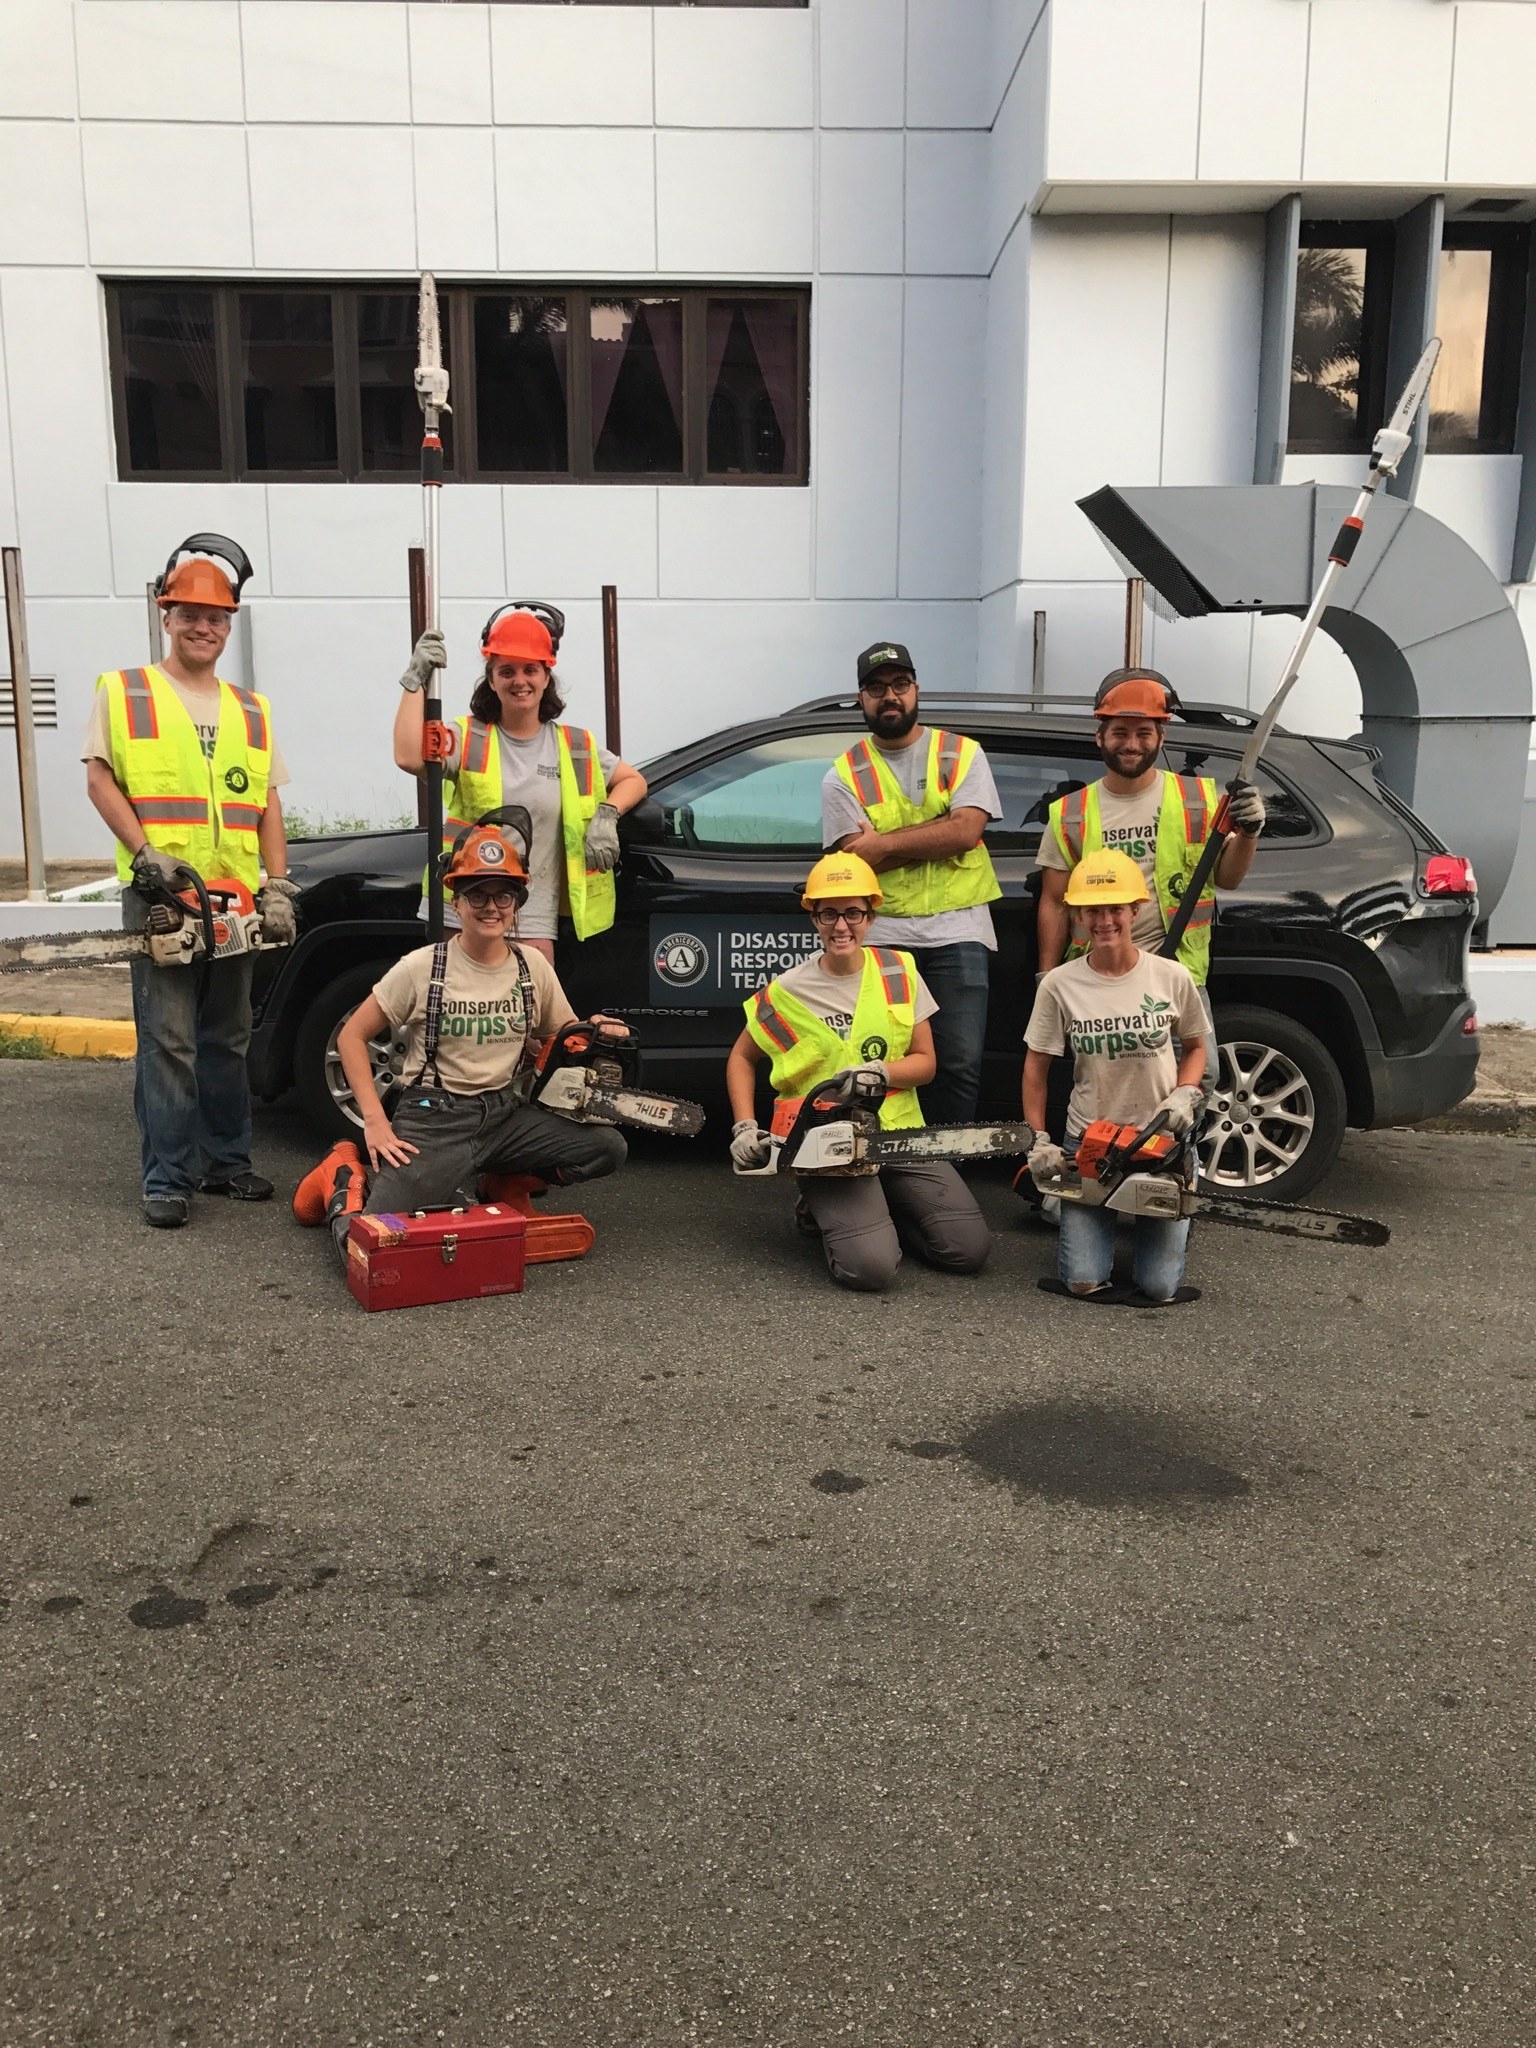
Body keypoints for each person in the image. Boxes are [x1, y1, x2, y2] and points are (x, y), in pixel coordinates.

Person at [82, 535, 295, 1229]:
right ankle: (168, 1176)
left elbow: (266, 803)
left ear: (230, 624)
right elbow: (98, 777)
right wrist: (144, 852)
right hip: (160, 896)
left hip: (232, 900)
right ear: (165, 613)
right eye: (189, 614)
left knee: (227, 1036)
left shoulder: (253, 708)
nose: (204, 627)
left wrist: (279, 886)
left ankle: (226, 1162)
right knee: (168, 1039)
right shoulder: (125, 691)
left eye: (217, 617)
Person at [291, 826, 627, 1264]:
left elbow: (562, 1034)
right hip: (436, 1120)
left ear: (517, 904)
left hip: (505, 1114)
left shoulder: (533, 966)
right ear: (457, 902)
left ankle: (501, 1185)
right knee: (366, 1246)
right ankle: (342, 1175)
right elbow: (352, 1036)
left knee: (607, 1148)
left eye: (503, 896)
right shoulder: (423, 967)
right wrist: (374, 1121)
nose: (491, 907)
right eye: (477, 896)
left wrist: (593, 1028)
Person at [726, 851, 991, 1293]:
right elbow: (741, 1058)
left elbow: (926, 1063)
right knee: (869, 1270)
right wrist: (744, 1126)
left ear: (871, 914)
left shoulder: (899, 972)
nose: (841, 926)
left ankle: (880, 1212)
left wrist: (882, 1073)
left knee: (967, 1251)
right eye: (829, 913)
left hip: (896, 1132)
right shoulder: (788, 990)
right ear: (813, 916)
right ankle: (826, 1211)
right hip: (825, 1145)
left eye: (853, 912)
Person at [1035, 667, 1266, 1072]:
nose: (1131, 744)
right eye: (1120, 732)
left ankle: (1180, 1141)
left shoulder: (1196, 799)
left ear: (1161, 737)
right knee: (1109, 1089)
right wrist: (1047, 978)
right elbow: (1054, 902)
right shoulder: (1070, 813)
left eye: (1143, 733)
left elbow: (1226, 878)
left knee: (1197, 1081)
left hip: (1175, 971)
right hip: (1098, 972)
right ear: (1100, 736)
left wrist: (1249, 833)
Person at [393, 603, 648, 959]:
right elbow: (408, 756)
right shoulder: (468, 736)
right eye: (507, 671)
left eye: (530, 669)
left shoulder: (575, 747)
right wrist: (413, 681)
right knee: (462, 1007)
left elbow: (634, 781)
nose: (519, 681)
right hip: (464, 903)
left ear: (546, 676)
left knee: (531, 1009)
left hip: (533, 913)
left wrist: (607, 814)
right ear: (492, 679)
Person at [821, 640, 1002, 1125]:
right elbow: (854, 859)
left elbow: (966, 831)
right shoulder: (843, 773)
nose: (890, 696)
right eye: (877, 688)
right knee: (878, 1060)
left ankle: (946, 1170)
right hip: (882, 936)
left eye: (900, 685)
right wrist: (932, 832)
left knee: (959, 1063)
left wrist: (885, 845)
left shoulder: (961, 753)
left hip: (958, 932)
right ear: (861, 699)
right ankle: (883, 1159)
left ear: (916, 690)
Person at [1023, 851, 1208, 1305]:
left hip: (1158, 1139)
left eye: (1114, 909)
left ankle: (1160, 1218)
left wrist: (1186, 1092)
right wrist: (1039, 1138)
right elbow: (1035, 1068)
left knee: (1159, 1288)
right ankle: (1081, 1212)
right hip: (1088, 1141)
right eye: (1093, 911)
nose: (1104, 920)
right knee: (1083, 1280)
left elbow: (1197, 1045)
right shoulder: (1059, 985)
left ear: (1134, 910)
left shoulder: (1170, 976)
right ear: (1079, 916)